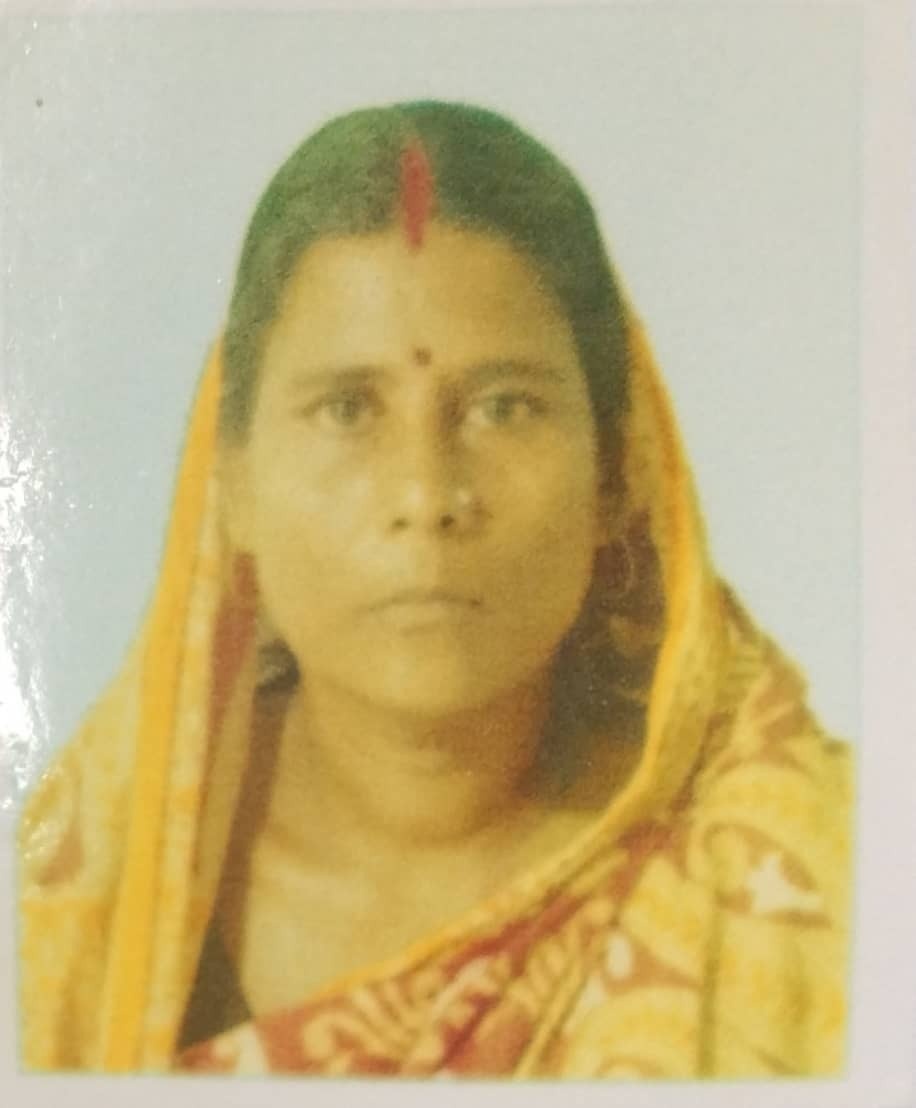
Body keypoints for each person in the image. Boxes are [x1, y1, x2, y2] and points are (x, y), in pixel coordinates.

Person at [17, 101, 852, 1077]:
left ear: (618, 472)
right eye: (347, 409)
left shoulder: (807, 872)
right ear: (230, 481)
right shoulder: (72, 899)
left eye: (505, 407)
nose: (426, 495)